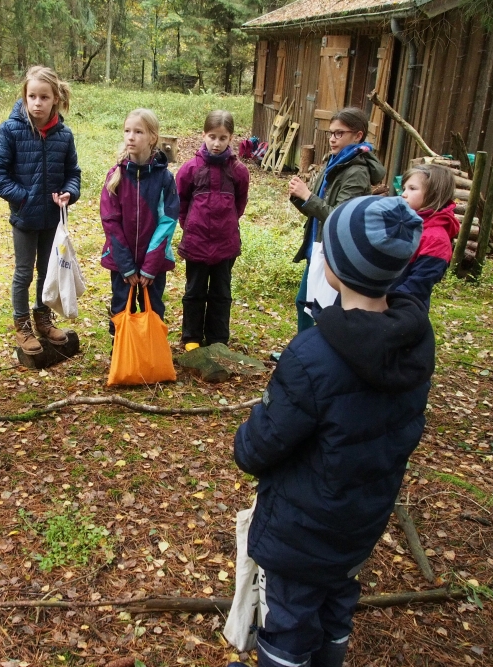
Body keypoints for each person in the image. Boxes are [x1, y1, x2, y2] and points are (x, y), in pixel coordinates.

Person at [233, 196, 433, 667]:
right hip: (360, 522)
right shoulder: (414, 342)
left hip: (301, 532)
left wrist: (244, 439)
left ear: (334, 269)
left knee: (288, 619)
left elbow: (260, 445)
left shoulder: (311, 356)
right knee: (337, 604)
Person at [0, 66, 82, 356]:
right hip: (24, 218)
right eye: (32, 96)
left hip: (52, 219)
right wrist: (24, 198)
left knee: (47, 270)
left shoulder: (63, 135)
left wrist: (70, 192)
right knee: (24, 272)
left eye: (44, 97)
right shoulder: (11, 130)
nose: (37, 103)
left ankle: (42, 317)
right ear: (24, 98)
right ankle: (22, 324)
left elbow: (72, 173)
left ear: (56, 98)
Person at [287, 107, 386, 333]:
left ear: (358, 135)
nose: (332, 139)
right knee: (304, 303)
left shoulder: (356, 171)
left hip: (335, 251)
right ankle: (304, 352)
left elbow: (340, 218)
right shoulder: (333, 162)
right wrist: (298, 197)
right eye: (330, 133)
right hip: (318, 245)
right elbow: (315, 210)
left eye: (339, 133)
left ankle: (315, 357)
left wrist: (307, 196)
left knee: (322, 309)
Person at [100, 109, 180, 336]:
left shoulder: (164, 178)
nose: (131, 137)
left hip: (153, 264)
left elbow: (168, 221)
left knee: (152, 309)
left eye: (138, 132)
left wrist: (150, 265)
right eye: (127, 131)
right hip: (120, 261)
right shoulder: (115, 176)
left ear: (152, 137)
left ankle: (150, 357)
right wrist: (125, 265)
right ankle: (121, 356)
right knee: (120, 308)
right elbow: (110, 221)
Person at [176, 110, 250, 351]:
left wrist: (225, 224)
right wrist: (191, 226)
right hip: (196, 243)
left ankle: (218, 338)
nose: (216, 143)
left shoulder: (239, 171)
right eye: (212, 136)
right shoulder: (190, 169)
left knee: (221, 293)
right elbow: (181, 202)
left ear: (231, 138)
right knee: (194, 291)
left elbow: (240, 203)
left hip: (225, 244)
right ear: (203, 135)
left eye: (223, 138)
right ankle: (191, 337)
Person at [391, 163, 459, 309]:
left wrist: (386, 304)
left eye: (412, 189)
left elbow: (418, 284)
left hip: (402, 310)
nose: (403, 194)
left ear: (433, 193)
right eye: (404, 189)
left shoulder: (436, 239)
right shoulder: (404, 223)